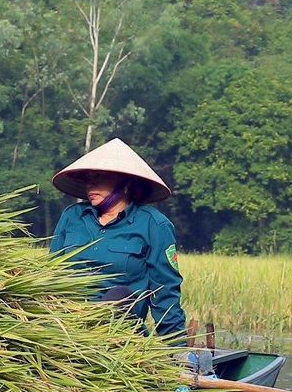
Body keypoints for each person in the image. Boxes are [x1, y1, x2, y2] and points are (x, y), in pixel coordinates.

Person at [48, 138, 187, 338]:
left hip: (120, 332)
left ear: (125, 183)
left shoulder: (153, 225)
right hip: (67, 328)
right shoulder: (72, 217)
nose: (90, 183)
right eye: (88, 177)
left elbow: (165, 292)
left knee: (118, 295)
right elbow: (51, 274)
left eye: (100, 176)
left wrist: (178, 348)